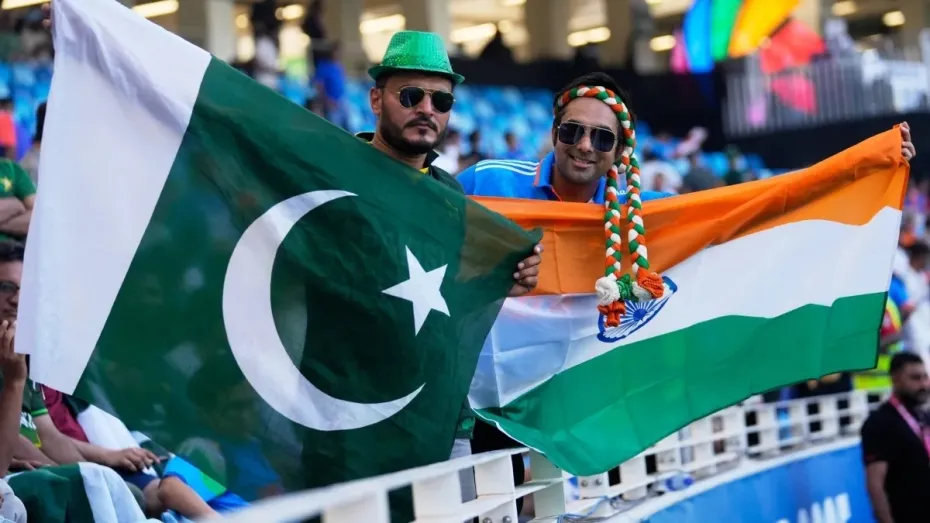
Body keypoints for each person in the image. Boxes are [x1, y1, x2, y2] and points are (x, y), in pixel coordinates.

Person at [457, 71, 672, 515]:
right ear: (554, 132)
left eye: (602, 138)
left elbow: (715, 226)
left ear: (621, 150)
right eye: (573, 131)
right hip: (488, 395)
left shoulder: (639, 214)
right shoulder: (488, 182)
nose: (585, 146)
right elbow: (421, 227)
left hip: (580, 396)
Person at [360, 29, 543, 499]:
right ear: (376, 100)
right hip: (351, 420)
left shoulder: (451, 194)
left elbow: (449, 298)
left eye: (441, 101)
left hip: (441, 422)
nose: (427, 109)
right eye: (411, 95)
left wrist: (504, 282)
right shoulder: (338, 174)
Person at [861, 352, 930, 523]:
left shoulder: (923, 416)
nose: (923, 384)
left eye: (925, 377)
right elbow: (875, 485)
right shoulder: (879, 422)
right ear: (895, 379)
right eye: (915, 378)